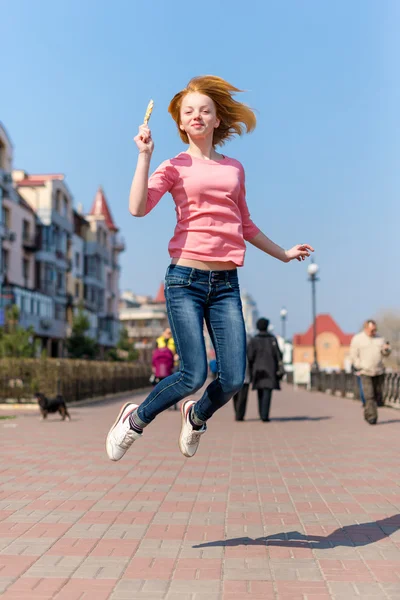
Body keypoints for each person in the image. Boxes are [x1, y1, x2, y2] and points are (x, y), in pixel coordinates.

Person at [106, 75, 314, 462]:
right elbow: (137, 207)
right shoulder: (174, 165)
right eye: (189, 112)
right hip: (184, 279)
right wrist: (144, 155)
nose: (197, 116)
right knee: (193, 374)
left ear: (217, 120)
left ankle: (196, 415)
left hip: (225, 284)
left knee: (234, 377)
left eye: (205, 110)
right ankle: (135, 420)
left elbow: (245, 224)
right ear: (181, 123)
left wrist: (283, 254)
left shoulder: (234, 169)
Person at [350, 319, 391, 425]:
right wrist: (359, 365)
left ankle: (368, 412)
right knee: (369, 395)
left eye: (375, 329)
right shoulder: (358, 339)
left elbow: (385, 354)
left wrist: (386, 350)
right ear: (366, 328)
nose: (373, 332)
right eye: (371, 330)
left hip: (379, 371)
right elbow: (353, 355)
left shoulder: (380, 339)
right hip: (365, 372)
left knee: (378, 394)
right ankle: (372, 417)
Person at [247, 318, 284, 421]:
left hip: (257, 370)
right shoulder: (272, 339)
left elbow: (250, 356)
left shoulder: (254, 340)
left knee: (260, 391)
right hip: (270, 369)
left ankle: (261, 413)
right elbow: (278, 354)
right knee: (268, 392)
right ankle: (265, 415)